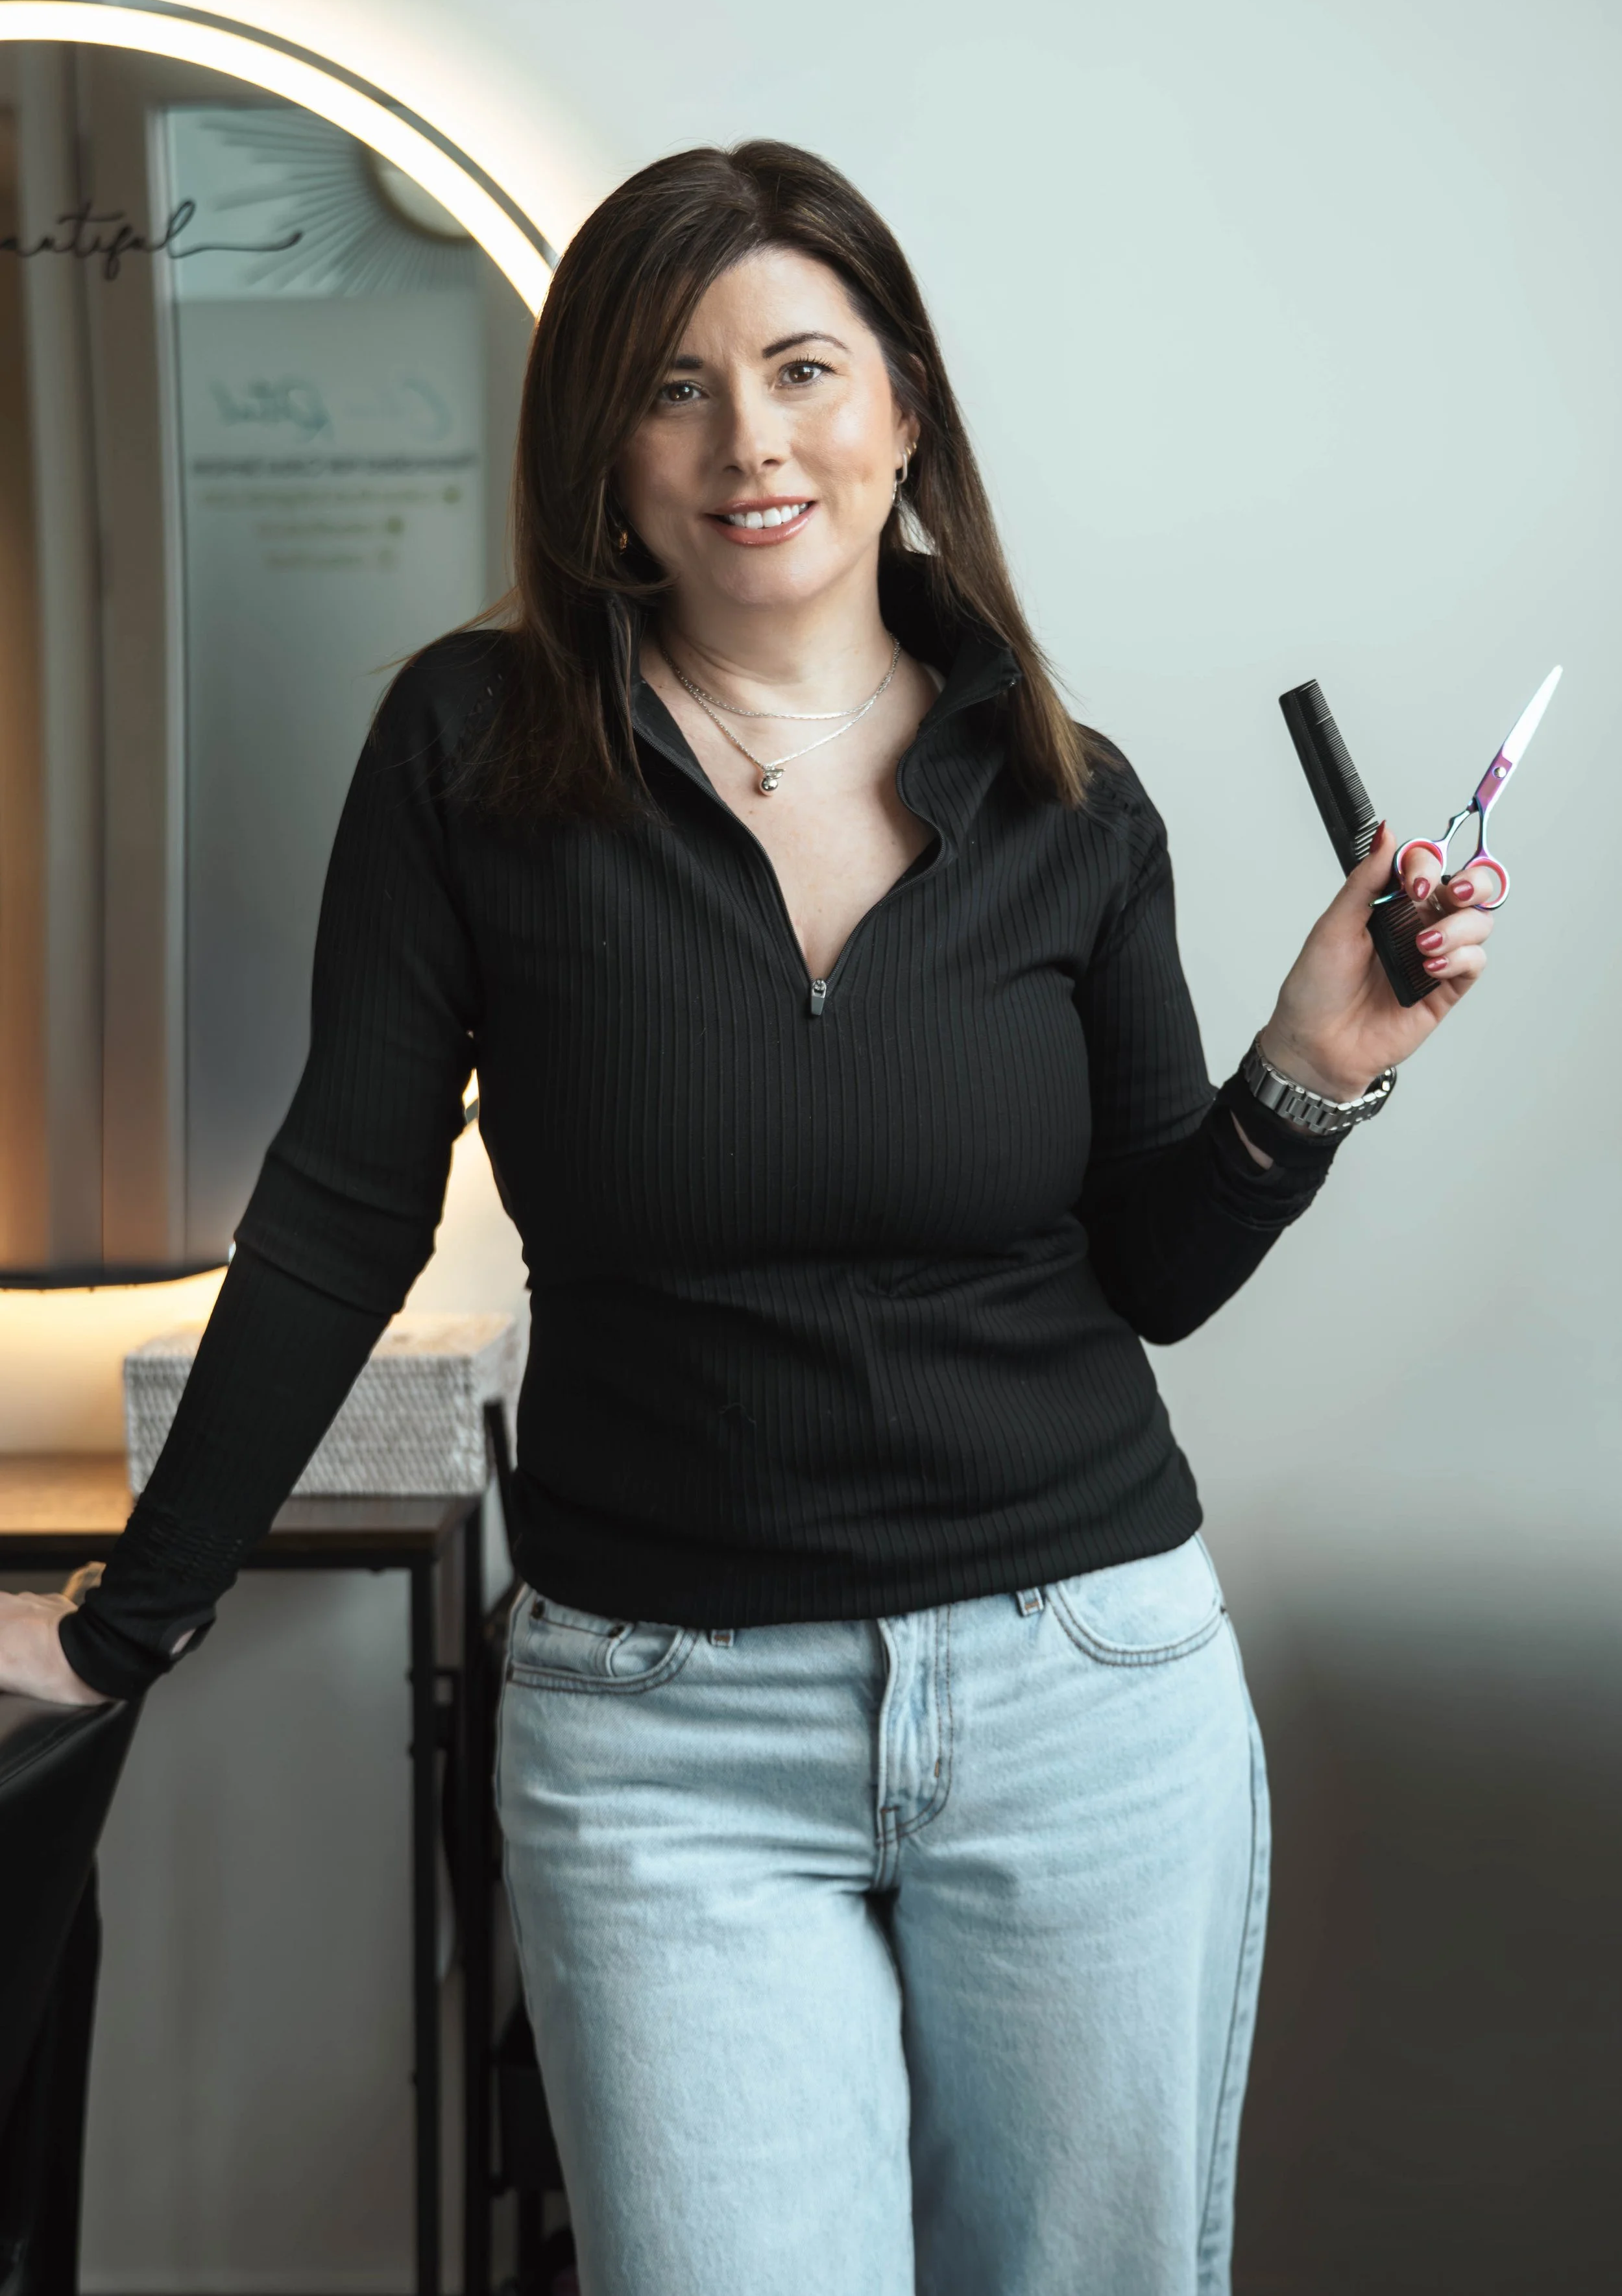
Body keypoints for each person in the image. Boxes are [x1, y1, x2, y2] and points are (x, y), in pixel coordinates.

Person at [0, 141, 1491, 2294]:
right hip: (661, 1729)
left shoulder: (1073, 801)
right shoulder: (471, 753)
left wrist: (1312, 1063)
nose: (748, 439)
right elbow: (338, 1215)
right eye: (674, 386)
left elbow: (1149, 1271)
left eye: (803, 367)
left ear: (903, 409)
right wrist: (127, 1613)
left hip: (1082, 1690)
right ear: (603, 455)